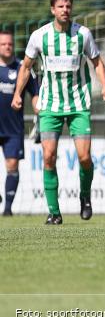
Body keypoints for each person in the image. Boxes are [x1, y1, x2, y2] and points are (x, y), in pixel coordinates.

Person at [11, 0, 105, 224]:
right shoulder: (40, 36)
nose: (65, 10)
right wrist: (18, 94)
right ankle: (54, 212)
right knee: (48, 156)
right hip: (49, 105)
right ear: (52, 10)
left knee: (84, 157)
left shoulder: (83, 34)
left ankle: (85, 197)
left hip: (78, 104)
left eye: (68, 6)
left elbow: (97, 62)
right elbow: (26, 67)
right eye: (60, 6)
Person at [0, 31, 39, 216]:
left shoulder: (23, 69)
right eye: (3, 44)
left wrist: (40, 112)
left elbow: (35, 94)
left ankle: (7, 209)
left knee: (12, 165)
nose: (7, 47)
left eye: (9, 44)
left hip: (13, 128)